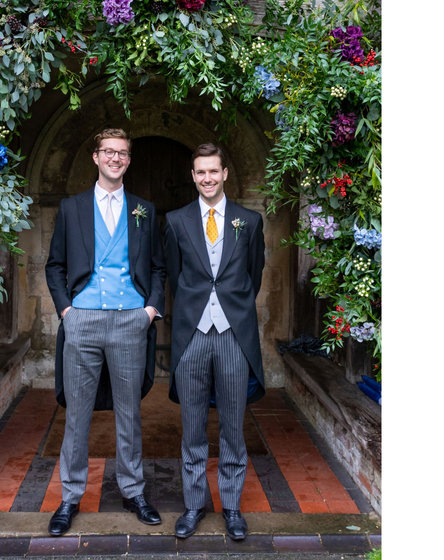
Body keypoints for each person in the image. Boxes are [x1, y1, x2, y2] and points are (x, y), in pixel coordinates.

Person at [44, 128, 166, 536]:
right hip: (82, 321)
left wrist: (149, 310)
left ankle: (133, 491)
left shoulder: (144, 209)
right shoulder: (72, 207)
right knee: (77, 415)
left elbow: (158, 268)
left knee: (129, 415)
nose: (115, 158)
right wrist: (66, 310)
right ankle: (70, 497)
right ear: (95, 157)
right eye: (108, 152)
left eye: (123, 153)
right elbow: (55, 265)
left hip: (131, 319)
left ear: (129, 160)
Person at [163, 142, 266, 541]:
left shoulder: (249, 221)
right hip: (191, 336)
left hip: (233, 336)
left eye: (213, 171)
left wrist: (232, 309)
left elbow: (252, 275)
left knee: (232, 429)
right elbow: (176, 276)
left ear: (225, 174)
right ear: (193, 176)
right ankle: (192, 506)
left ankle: (233, 507)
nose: (207, 178)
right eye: (200, 172)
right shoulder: (175, 221)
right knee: (192, 428)